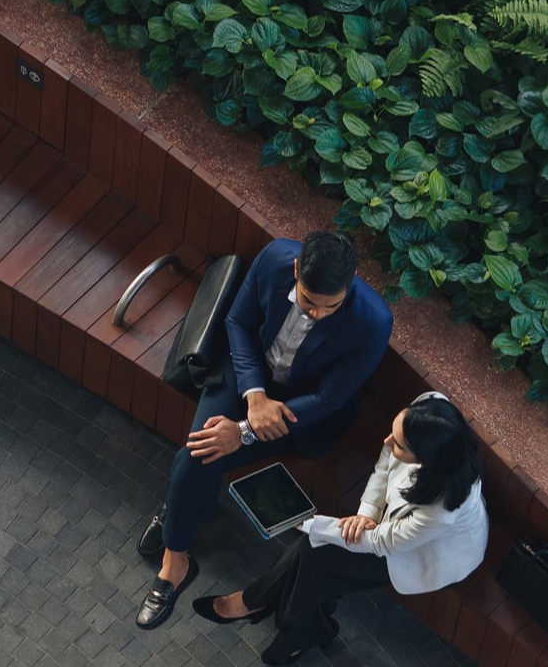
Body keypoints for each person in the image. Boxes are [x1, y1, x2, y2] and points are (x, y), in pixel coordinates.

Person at [133, 231, 393, 629]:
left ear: (350, 285)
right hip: (244, 374)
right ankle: (177, 555)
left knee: (199, 454)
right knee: (200, 452)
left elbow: (328, 398)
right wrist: (253, 396)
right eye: (308, 302)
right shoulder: (275, 258)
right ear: (295, 270)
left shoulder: (373, 322)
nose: (317, 314)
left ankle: (175, 534)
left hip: (300, 409)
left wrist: (244, 431)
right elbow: (238, 321)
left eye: (331, 306)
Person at [193, 392, 488, 665]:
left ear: (426, 458)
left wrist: (306, 523)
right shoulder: (429, 406)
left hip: (421, 555)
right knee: (315, 559)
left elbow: (383, 544)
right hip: (389, 529)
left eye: (399, 444)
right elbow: (385, 465)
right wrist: (367, 513)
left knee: (314, 554)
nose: (387, 442)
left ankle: (256, 602)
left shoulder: (442, 509)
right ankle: (286, 627)